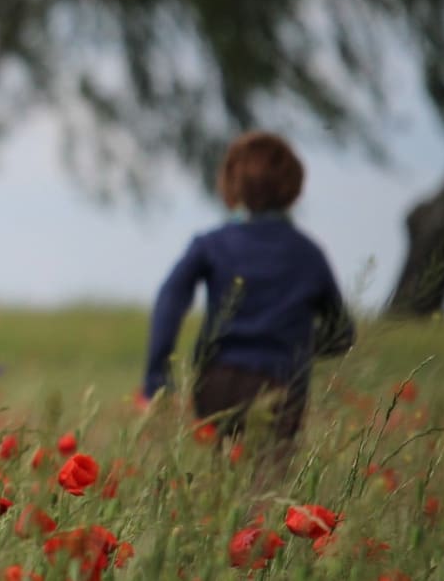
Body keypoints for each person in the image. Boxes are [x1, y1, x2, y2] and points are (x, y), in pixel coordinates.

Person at [140, 132, 355, 462]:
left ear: (231, 184)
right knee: (267, 488)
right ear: (292, 188)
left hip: (217, 381)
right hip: (281, 384)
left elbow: (170, 299)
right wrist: (297, 345)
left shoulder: (211, 244)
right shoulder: (308, 254)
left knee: (223, 482)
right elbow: (342, 335)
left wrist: (157, 378)